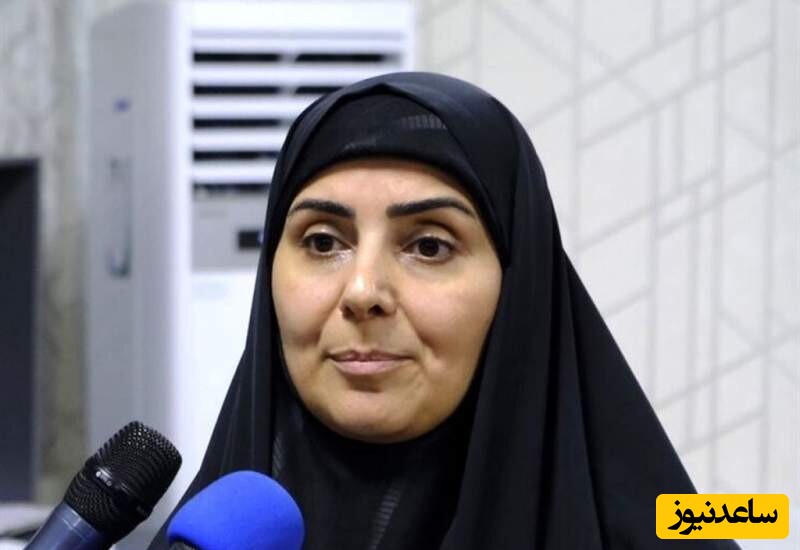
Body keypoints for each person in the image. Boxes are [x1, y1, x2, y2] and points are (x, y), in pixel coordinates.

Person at [148, 72, 740, 549]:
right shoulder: (208, 540)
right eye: (323, 242)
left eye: (429, 246)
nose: (362, 291)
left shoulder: (662, 529)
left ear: (517, 285)